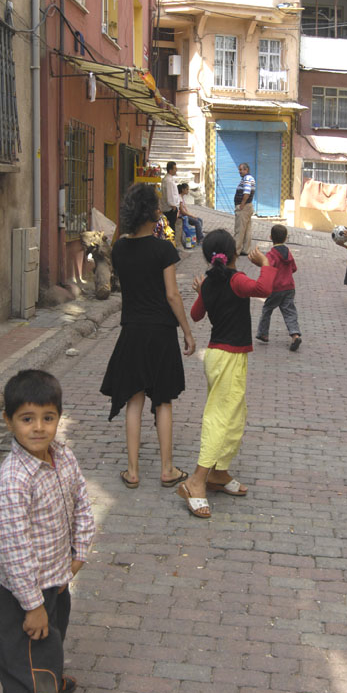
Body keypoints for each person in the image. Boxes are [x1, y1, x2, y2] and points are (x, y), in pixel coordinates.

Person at [0, 369, 95, 693]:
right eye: (27, 418)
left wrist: (79, 551)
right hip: (25, 597)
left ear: (59, 418)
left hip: (57, 581)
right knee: (23, 679)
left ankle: (49, 678)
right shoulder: (12, 481)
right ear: (9, 421)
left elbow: (82, 502)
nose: (38, 428)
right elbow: (14, 552)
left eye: (47, 418)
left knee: (50, 644)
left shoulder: (63, 457)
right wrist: (32, 605)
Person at [100, 183, 196, 488]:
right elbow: (172, 295)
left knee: (134, 400)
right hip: (162, 333)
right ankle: (167, 469)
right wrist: (187, 332)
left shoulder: (119, 249)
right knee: (163, 401)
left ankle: (132, 471)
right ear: (151, 211)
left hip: (132, 332)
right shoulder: (163, 249)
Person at [175, 229, 275, 518]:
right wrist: (266, 264)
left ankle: (218, 472)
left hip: (222, 356)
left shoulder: (210, 283)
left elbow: (196, 315)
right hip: (227, 358)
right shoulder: (236, 280)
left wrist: (202, 293)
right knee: (220, 418)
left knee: (234, 415)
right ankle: (196, 480)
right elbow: (264, 289)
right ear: (233, 254)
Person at [256, 224, 302, 351]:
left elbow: (268, 269)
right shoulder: (289, 253)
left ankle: (263, 333)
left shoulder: (271, 254)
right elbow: (294, 268)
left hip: (276, 288)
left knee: (267, 309)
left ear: (270, 237)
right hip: (289, 287)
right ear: (286, 238)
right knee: (289, 312)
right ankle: (295, 335)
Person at [233, 162, 255, 256]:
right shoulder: (249, 178)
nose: (240, 171)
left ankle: (236, 250)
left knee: (240, 229)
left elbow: (247, 192)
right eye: (239, 170)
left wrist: (242, 204)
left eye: (241, 170)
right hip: (248, 206)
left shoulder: (247, 178)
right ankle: (246, 249)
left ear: (246, 170)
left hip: (244, 207)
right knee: (247, 230)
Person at [161, 160, 180, 232]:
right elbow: (170, 194)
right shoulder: (168, 181)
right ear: (170, 170)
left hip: (170, 208)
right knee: (171, 229)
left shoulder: (168, 179)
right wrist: (173, 206)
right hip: (170, 209)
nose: (176, 170)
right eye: (175, 168)